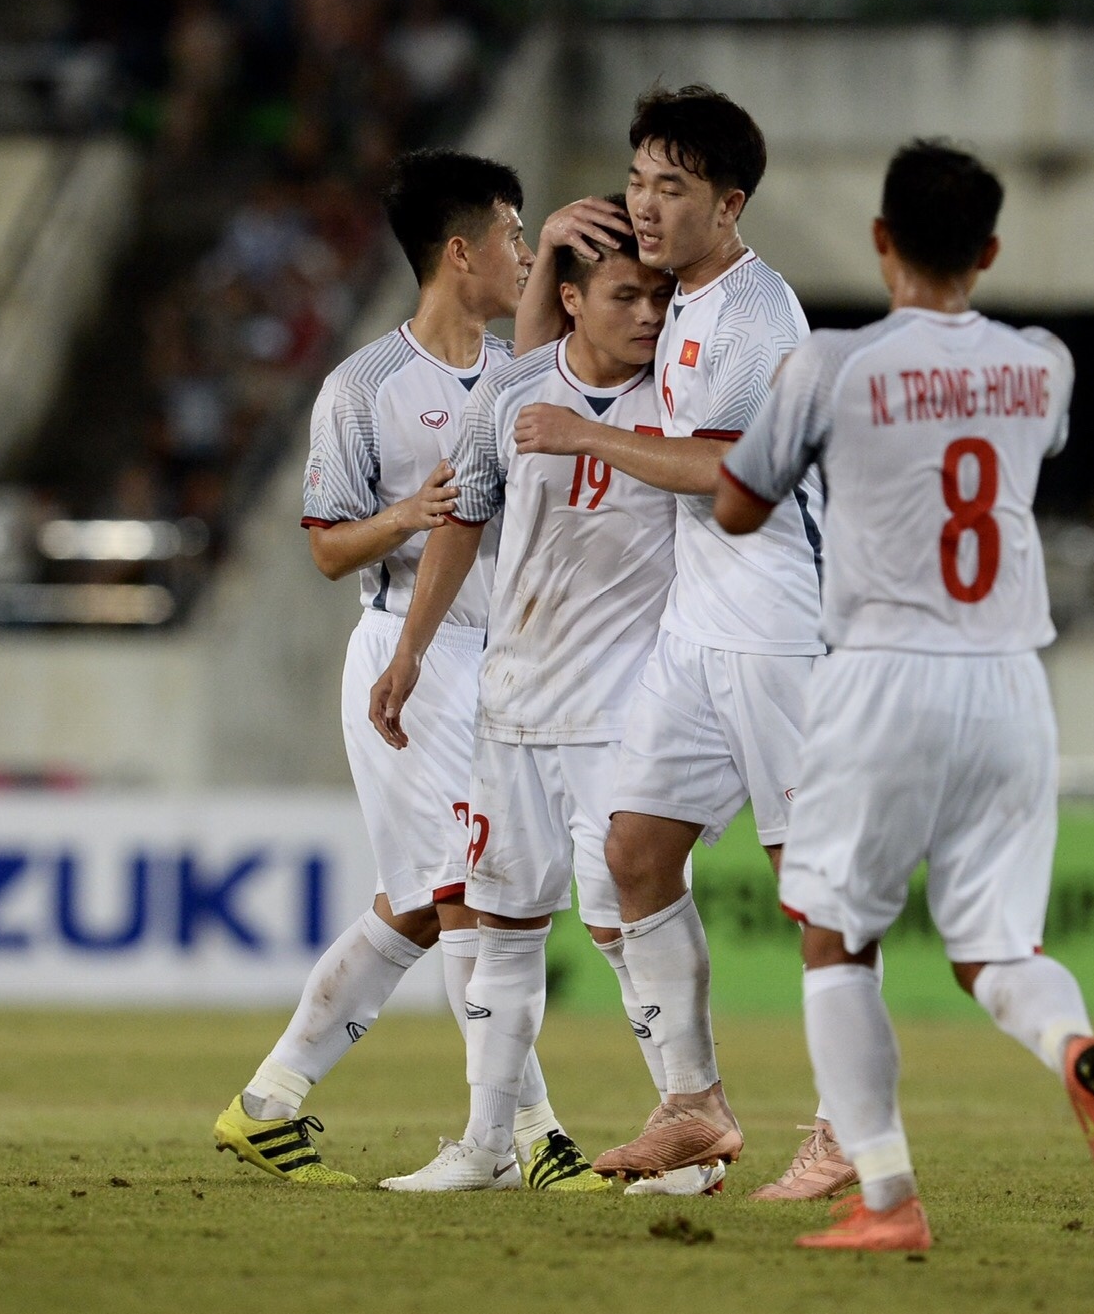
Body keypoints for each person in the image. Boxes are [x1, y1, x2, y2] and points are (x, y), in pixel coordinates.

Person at [714, 141, 1094, 1252]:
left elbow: (736, 506)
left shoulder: (834, 363)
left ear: (879, 241)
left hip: (880, 673)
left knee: (835, 934)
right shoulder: (1043, 364)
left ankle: (886, 1196)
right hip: (1011, 677)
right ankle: (1072, 1047)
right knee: (996, 949)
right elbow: (1019, 439)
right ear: (992, 251)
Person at [212, 150, 596, 1190]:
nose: (523, 256)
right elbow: (329, 549)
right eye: (513, 237)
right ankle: (530, 1137)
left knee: (424, 903)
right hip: (407, 657)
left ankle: (269, 1100)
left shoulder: (524, 372)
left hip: (505, 664)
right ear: (460, 251)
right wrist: (407, 514)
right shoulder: (363, 387)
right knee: (469, 891)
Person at [509, 87, 844, 1197]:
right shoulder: (676, 301)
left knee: (812, 885)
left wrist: (588, 432)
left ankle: (847, 1125)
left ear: (730, 204)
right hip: (697, 630)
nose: (646, 205)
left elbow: (729, 472)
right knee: (634, 853)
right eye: (640, 178)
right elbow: (535, 375)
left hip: (779, 631)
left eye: (674, 186)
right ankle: (694, 1103)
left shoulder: (755, 316)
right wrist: (555, 242)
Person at [366, 203, 682, 1193]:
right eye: (626, 295)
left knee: (623, 923)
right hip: (513, 701)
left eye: (660, 295)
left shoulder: (680, 400)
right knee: (501, 925)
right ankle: (486, 1144)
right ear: (574, 300)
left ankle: (690, 1135)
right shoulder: (511, 394)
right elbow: (464, 516)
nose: (648, 314)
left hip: (622, 711)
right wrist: (410, 650)